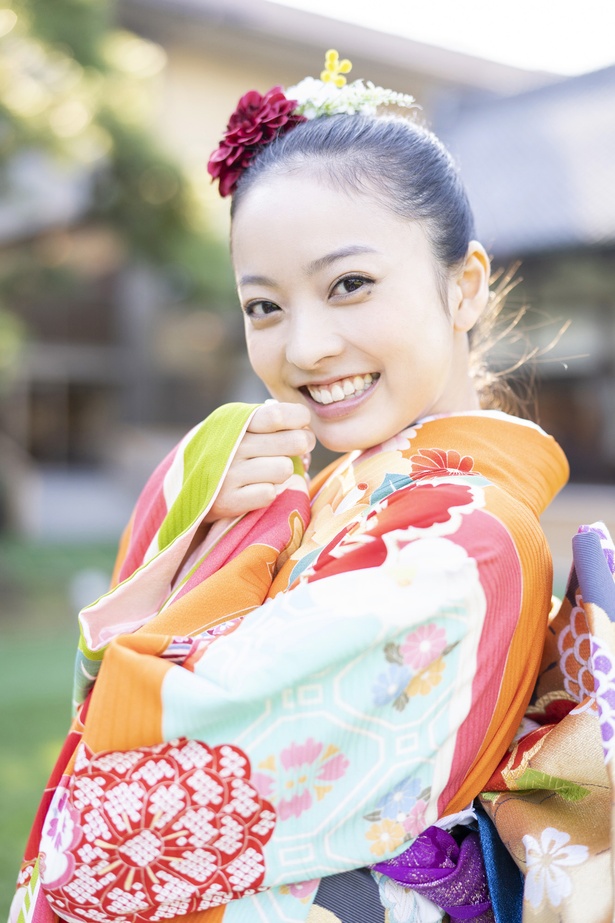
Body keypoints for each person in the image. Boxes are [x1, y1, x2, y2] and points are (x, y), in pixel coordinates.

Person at [15, 51, 604, 923]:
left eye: (350, 285)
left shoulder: (457, 540)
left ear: (463, 284)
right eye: (264, 306)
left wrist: (198, 531)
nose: (305, 348)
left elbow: (122, 811)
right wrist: (206, 514)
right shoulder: (346, 498)